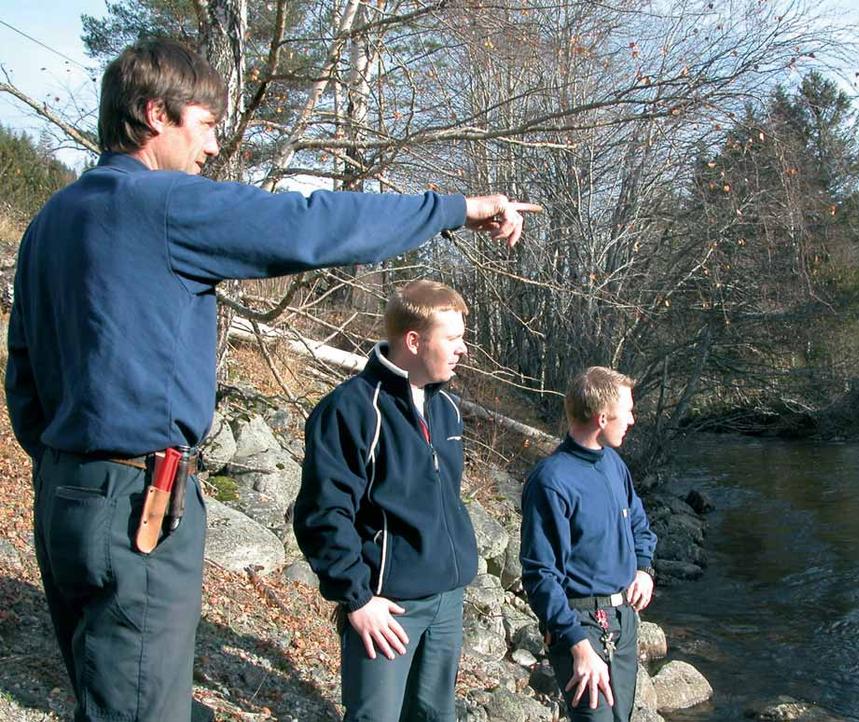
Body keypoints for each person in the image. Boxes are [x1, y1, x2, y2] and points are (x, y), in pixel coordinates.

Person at [5, 38, 540, 722]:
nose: (211, 148)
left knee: (104, 693)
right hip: (138, 502)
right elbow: (311, 225)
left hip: (64, 493)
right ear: (153, 115)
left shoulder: (51, 220)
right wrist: (454, 208)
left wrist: (72, 469)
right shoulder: (165, 204)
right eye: (204, 125)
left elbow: (22, 378)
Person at [294, 280, 477, 721]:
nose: (463, 350)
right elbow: (323, 514)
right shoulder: (351, 409)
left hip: (447, 601)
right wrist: (357, 598)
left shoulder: (447, 409)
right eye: (452, 339)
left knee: (436, 716)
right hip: (388, 609)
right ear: (414, 341)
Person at [520, 367, 657, 721]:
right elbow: (540, 575)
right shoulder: (551, 482)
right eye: (627, 411)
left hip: (624, 621)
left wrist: (644, 568)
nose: (631, 419)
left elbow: (639, 523)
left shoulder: (614, 464)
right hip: (579, 624)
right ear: (601, 417)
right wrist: (577, 644)